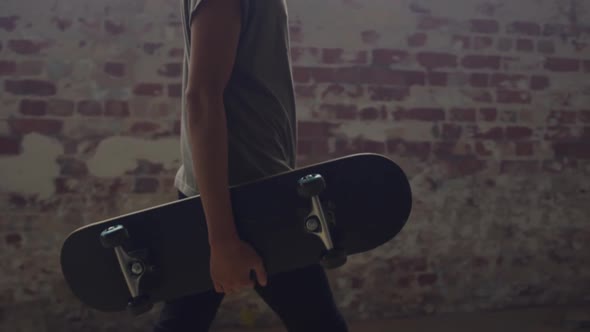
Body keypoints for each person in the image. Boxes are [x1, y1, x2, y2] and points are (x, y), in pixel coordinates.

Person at [152, 0, 349, 331]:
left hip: (247, 188)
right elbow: (200, 98)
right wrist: (223, 240)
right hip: (250, 198)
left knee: (183, 321)